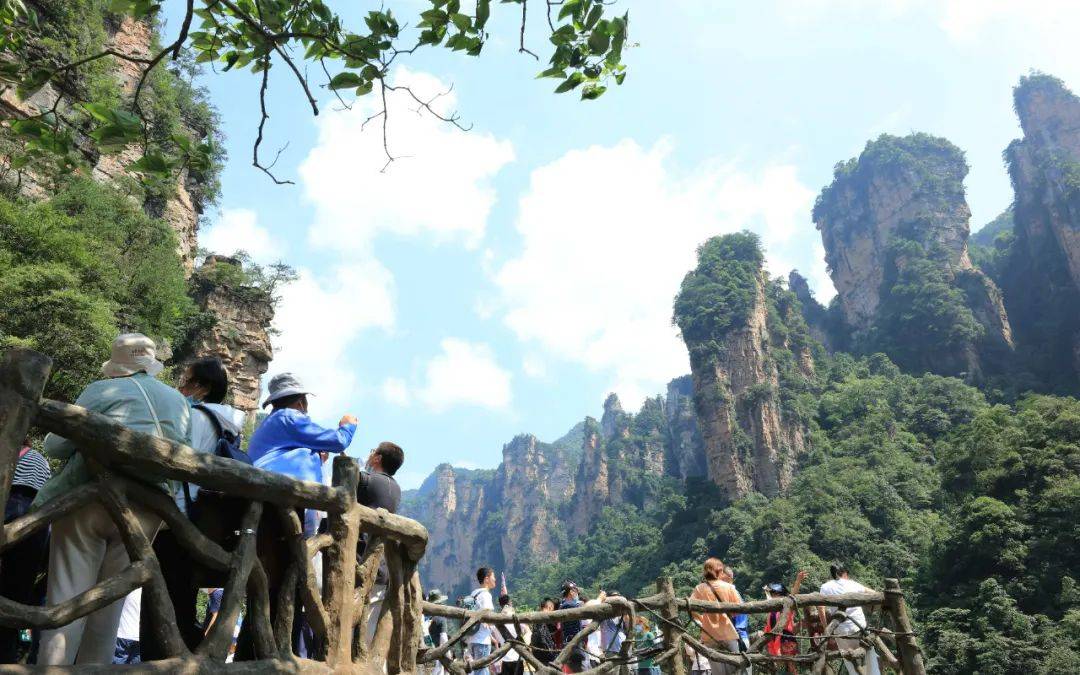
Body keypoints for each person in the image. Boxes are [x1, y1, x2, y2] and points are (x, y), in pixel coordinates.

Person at [37, 334, 189, 666]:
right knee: (109, 611)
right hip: (148, 509)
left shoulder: (101, 390)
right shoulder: (178, 401)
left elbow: (56, 447)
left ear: (117, 364)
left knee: (67, 603)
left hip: (90, 499)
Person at [142, 357, 242, 660]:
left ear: (201, 387)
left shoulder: (196, 418)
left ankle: (163, 664)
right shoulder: (229, 426)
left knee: (162, 605)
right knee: (181, 600)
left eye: (185, 380)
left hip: (177, 519)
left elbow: (176, 464)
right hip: (205, 523)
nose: (180, 385)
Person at [247, 372, 357, 536]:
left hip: (264, 498)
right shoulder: (289, 417)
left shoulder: (271, 422)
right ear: (300, 403)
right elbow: (338, 441)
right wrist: (348, 425)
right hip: (285, 502)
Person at [1, 442, 51, 664]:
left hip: (10, 507)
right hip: (35, 521)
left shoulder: (5, 452)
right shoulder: (40, 459)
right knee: (17, 595)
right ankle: (9, 655)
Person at [358, 441, 405, 645]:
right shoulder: (396, 488)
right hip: (381, 567)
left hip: (358, 561)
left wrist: (362, 468)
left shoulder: (367, 480)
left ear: (377, 458)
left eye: (373, 452)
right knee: (367, 630)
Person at [817, 564, 880, 675]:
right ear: (844, 572)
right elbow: (874, 594)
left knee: (850, 661)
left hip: (840, 632)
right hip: (859, 629)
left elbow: (821, 608)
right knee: (870, 660)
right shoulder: (852, 584)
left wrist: (827, 629)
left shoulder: (825, 587)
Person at [689, 558, 743, 675]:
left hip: (709, 635)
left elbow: (690, 608)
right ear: (719, 571)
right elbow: (738, 610)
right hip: (728, 633)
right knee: (735, 669)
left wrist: (703, 620)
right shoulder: (729, 587)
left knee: (718, 672)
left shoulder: (699, 588)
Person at [762, 571, 806, 675]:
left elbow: (793, 595)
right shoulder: (771, 610)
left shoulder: (787, 605)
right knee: (781, 668)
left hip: (786, 640)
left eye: (772, 594)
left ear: (777, 594)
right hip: (774, 641)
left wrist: (798, 580)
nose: (770, 596)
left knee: (791, 667)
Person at [466, 567, 502, 675]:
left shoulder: (473, 594)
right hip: (482, 640)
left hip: (472, 638)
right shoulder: (486, 595)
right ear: (486, 579)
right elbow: (489, 619)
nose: (495, 580)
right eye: (493, 577)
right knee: (482, 670)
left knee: (476, 669)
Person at [558, 581, 588, 673]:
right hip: (574, 644)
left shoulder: (565, 605)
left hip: (574, 644)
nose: (577, 593)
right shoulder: (569, 605)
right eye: (576, 591)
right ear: (571, 592)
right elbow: (584, 608)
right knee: (580, 671)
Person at [497, 593, 528, 675]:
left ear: (500, 604)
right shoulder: (516, 618)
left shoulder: (496, 621)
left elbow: (495, 637)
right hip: (518, 657)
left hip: (505, 658)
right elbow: (525, 630)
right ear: (510, 603)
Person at [112, 590, 142, 664]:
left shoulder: (129, 589)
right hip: (139, 637)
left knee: (117, 669)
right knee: (136, 670)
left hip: (123, 634)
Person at [426, 590, 450, 675]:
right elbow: (443, 637)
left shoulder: (430, 618)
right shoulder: (441, 618)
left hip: (432, 651)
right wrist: (448, 654)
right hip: (440, 652)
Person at [529, 598, 559, 665]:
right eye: (553, 609)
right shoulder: (547, 617)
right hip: (546, 651)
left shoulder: (536, 616)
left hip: (536, 652)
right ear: (550, 607)